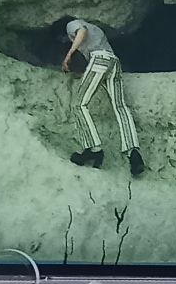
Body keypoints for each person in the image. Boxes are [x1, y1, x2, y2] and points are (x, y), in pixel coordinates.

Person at [59, 16, 145, 177]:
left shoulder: (72, 24)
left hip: (99, 60)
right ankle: (134, 153)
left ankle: (93, 149)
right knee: (120, 107)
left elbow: (81, 32)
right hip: (114, 62)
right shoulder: (96, 29)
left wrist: (68, 55)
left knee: (79, 104)